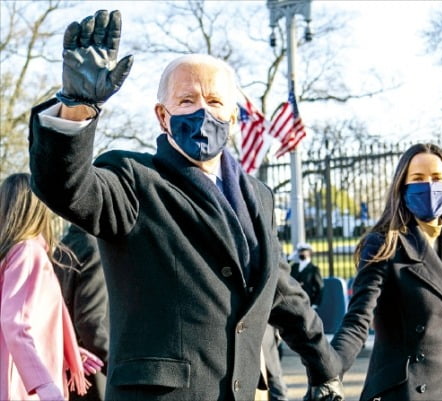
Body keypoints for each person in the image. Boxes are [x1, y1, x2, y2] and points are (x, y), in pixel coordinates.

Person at [28, 9, 343, 401]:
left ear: (232, 114)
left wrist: (324, 367)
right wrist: (76, 107)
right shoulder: (133, 178)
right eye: (186, 100)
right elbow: (65, 187)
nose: (202, 112)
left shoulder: (258, 196)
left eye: (214, 101)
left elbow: (278, 288)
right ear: (163, 116)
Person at [330, 143, 442, 400]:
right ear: (402, 187)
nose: (429, 187)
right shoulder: (383, 244)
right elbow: (357, 321)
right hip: (404, 391)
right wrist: (329, 371)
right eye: (418, 179)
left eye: (436, 178)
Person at [0, 173, 103, 401]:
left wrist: (64, 350)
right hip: (26, 389)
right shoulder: (28, 252)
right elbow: (14, 323)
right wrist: (43, 383)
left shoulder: (12, 254)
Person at [54, 224, 110, 401]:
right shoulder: (94, 249)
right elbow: (90, 322)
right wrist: (115, 366)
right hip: (93, 374)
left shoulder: (63, 245)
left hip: (71, 373)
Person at [290, 242, 324, 307]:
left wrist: (315, 303)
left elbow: (320, 287)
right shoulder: (294, 267)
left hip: (308, 302)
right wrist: (290, 258)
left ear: (309, 252)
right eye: (299, 251)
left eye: (303, 250)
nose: (301, 253)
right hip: (294, 302)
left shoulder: (314, 269)